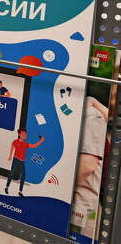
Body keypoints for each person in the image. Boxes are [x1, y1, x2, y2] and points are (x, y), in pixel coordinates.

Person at [70, 96, 107, 236]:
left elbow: (87, 165)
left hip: (78, 206)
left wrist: (61, 189)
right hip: (76, 204)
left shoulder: (91, 115)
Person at [5, 128, 44, 197]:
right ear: (19, 134)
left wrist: (41, 141)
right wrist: (10, 156)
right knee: (12, 173)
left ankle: (20, 191)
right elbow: (12, 147)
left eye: (25, 134)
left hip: (22, 161)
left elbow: (34, 146)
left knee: (23, 175)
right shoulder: (15, 141)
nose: (24, 135)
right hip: (16, 160)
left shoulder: (25, 144)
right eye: (23, 134)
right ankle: (7, 187)